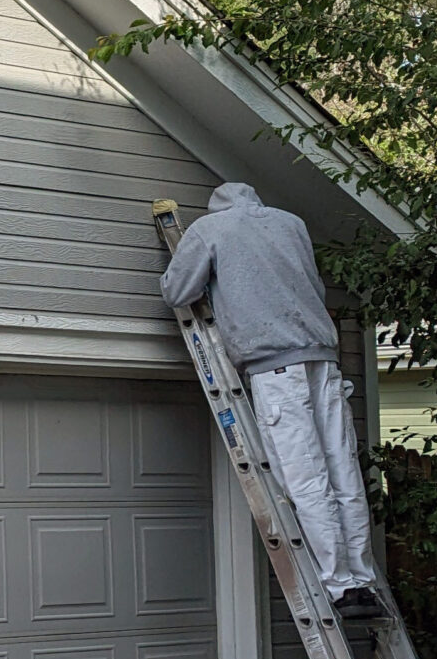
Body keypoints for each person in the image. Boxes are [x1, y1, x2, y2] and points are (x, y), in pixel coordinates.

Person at [160, 182, 381, 616]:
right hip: (323, 361)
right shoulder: (291, 225)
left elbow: (176, 292)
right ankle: (363, 580)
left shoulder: (211, 229)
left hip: (277, 367)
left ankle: (339, 587)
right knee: (343, 474)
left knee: (305, 478)